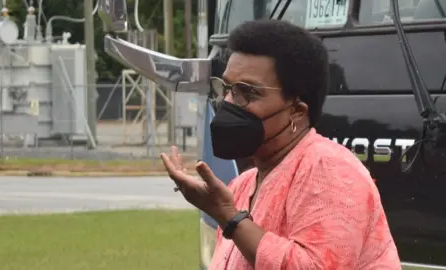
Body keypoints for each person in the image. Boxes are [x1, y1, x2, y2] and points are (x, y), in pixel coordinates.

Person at [160, 20, 401, 270]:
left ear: (296, 111)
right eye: (227, 88)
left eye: (247, 92)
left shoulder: (332, 170)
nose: (228, 102)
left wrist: (229, 218)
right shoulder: (243, 184)